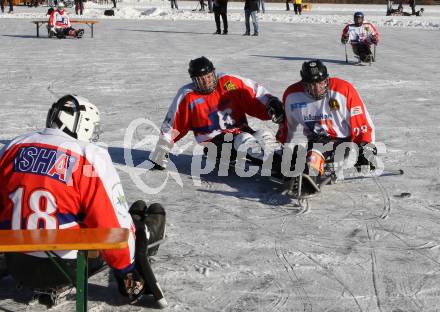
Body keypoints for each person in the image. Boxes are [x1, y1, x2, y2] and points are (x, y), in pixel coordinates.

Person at [0, 95, 167, 306]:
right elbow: (111, 224)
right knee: (133, 223)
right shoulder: (88, 155)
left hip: (18, 264)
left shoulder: (13, 146)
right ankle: (146, 229)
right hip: (66, 267)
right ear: (82, 123)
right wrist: (126, 270)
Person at [149, 56, 283, 171]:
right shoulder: (187, 96)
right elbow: (172, 125)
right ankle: (276, 164)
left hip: (240, 132)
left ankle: (284, 156)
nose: (206, 82)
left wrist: (271, 103)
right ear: (194, 80)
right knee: (244, 139)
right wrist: (160, 153)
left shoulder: (227, 82)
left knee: (263, 134)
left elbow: (254, 92)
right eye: (201, 79)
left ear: (214, 73)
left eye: (208, 77)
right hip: (214, 144)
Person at [273, 60, 376, 196]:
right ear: (304, 83)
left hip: (340, 141)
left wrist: (366, 149)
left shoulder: (343, 89)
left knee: (316, 150)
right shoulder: (292, 95)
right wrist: (280, 147)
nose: (317, 88)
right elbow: (287, 126)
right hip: (314, 140)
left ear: (327, 80)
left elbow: (362, 123)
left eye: (321, 83)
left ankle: (309, 176)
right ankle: (300, 168)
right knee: (295, 153)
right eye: (312, 84)